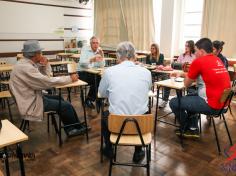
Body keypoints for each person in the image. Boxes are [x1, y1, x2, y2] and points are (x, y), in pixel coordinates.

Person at [10, 40, 86, 137]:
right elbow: (47, 82)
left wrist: (45, 65)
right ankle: (72, 129)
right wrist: (69, 78)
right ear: (35, 54)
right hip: (31, 103)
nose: (42, 54)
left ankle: (76, 126)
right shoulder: (26, 68)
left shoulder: (24, 63)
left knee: (61, 99)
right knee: (66, 106)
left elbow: (44, 77)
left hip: (32, 97)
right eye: (40, 52)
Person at [98, 41, 152, 163]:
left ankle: (109, 149)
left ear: (118, 56)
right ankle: (138, 151)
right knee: (143, 110)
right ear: (135, 55)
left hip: (116, 124)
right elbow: (147, 90)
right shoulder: (146, 72)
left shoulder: (109, 72)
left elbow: (102, 93)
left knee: (105, 116)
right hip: (141, 124)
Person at [169, 38, 231, 138]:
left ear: (201, 52)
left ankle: (187, 127)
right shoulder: (218, 60)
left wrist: (184, 75)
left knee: (174, 102)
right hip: (223, 104)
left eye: (196, 51)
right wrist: (184, 74)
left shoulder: (199, 61)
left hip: (212, 105)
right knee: (190, 96)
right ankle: (193, 127)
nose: (195, 53)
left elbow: (186, 84)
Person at [77, 36, 105, 109]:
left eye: (97, 43)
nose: (95, 45)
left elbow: (102, 65)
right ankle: (90, 99)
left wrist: (102, 56)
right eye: (93, 43)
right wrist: (91, 60)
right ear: (90, 43)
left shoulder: (99, 50)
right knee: (97, 79)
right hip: (81, 72)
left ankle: (99, 98)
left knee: (104, 78)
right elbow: (82, 63)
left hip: (93, 72)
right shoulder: (85, 49)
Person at [146, 43, 170, 108]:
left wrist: (156, 66)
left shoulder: (161, 55)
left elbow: (161, 64)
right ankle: (147, 99)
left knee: (167, 78)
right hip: (152, 73)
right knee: (147, 80)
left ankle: (165, 100)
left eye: (153, 48)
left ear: (156, 49)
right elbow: (147, 65)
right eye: (151, 48)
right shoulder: (148, 56)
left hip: (159, 73)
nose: (152, 50)